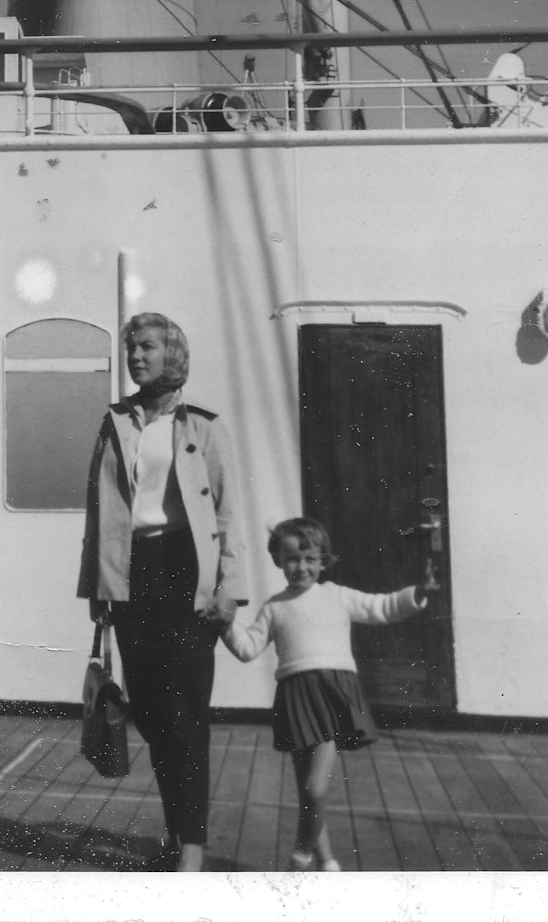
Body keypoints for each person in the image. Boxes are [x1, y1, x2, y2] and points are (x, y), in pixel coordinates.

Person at [77, 311, 248, 872]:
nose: (135, 357)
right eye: (131, 349)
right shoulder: (117, 422)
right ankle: (177, 833)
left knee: (186, 716)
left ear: (172, 353)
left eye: (146, 347)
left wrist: (230, 588)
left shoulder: (203, 426)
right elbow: (98, 511)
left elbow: (228, 512)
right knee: (150, 714)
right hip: (132, 575)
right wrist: (97, 590)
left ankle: (192, 851)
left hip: (187, 572)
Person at [217, 516, 438, 872]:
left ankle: (302, 853)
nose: (300, 566)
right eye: (291, 558)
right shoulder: (274, 607)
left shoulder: (336, 596)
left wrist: (417, 596)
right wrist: (224, 624)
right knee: (307, 789)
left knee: (315, 788)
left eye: (309, 558)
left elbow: (381, 607)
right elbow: (247, 648)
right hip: (295, 699)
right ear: (277, 560)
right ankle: (328, 862)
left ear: (323, 560)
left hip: (332, 696)